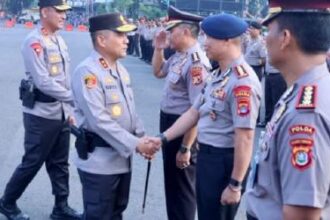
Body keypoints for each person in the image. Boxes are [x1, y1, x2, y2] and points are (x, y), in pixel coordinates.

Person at [152, 13, 261, 220]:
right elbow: (194, 112)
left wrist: (235, 184)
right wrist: (162, 138)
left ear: (227, 41)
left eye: (210, 38)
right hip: (208, 157)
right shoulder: (218, 75)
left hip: (224, 162)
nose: (205, 43)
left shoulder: (242, 82)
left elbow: (245, 137)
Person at [245, 1, 330, 220]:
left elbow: (302, 213)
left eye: (268, 30)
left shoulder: (306, 112)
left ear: (285, 38)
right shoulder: (306, 89)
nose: (265, 38)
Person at [71, 13, 159, 220]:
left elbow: (130, 110)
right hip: (99, 162)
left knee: (116, 213)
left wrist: (142, 138)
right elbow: (99, 121)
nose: (127, 39)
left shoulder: (120, 69)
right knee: (99, 215)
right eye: (120, 35)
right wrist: (137, 144)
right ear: (101, 40)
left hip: (121, 159)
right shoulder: (88, 72)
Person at [0, 1, 81, 220]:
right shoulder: (33, 42)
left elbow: (63, 80)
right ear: (45, 12)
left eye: (65, 12)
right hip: (40, 114)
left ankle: (61, 207)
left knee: (60, 163)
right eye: (60, 11)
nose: (64, 16)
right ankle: (7, 202)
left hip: (60, 113)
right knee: (33, 161)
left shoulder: (59, 40)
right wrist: (76, 99)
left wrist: (69, 109)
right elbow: (43, 81)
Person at [152, 6, 210, 220]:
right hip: (169, 124)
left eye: (171, 31)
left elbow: (197, 110)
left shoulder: (196, 64)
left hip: (183, 130)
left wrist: (186, 147)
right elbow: (158, 72)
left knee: (183, 189)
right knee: (173, 184)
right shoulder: (179, 56)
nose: (168, 35)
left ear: (185, 32)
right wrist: (158, 49)